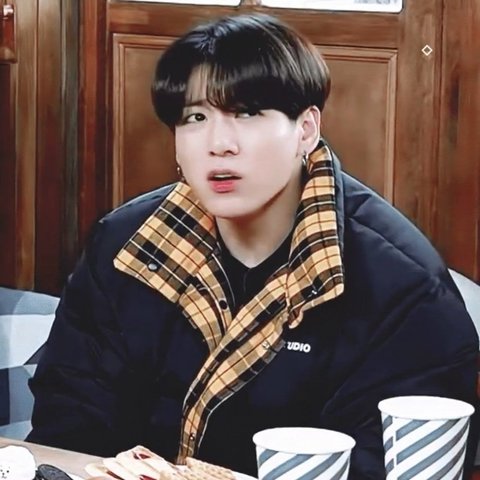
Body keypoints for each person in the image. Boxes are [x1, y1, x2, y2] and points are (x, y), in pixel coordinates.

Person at [27, 13, 479, 479]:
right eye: (195, 118)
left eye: (247, 113)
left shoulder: (400, 284)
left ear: (306, 129)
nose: (219, 144)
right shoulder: (123, 246)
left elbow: (387, 464)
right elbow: (65, 430)